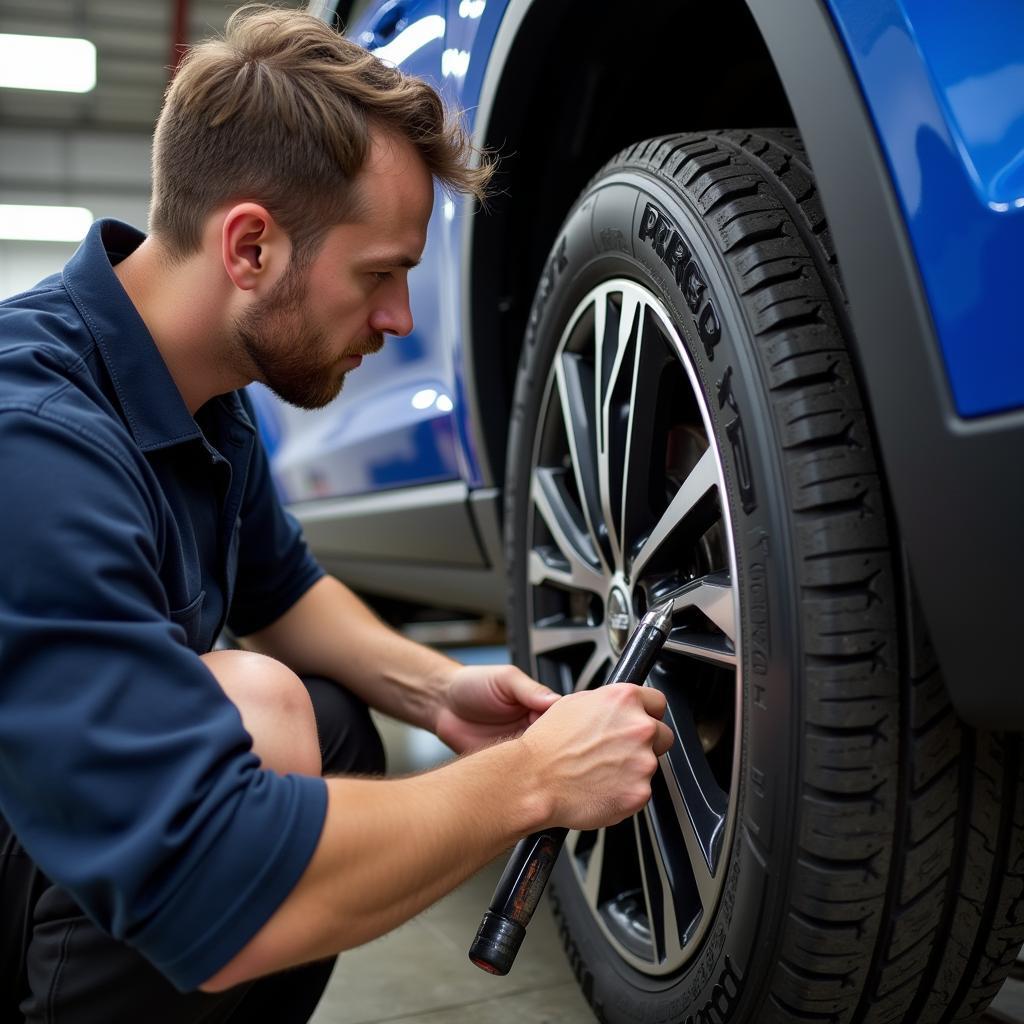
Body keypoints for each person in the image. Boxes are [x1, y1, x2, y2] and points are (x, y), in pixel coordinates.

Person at [0, 6, 674, 1022]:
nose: (400, 318)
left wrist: (441, 692)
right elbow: (205, 880)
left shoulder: (204, 394)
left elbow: (283, 590)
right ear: (251, 247)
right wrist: (533, 781)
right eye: (381, 273)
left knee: (329, 726)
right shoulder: (35, 438)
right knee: (263, 714)